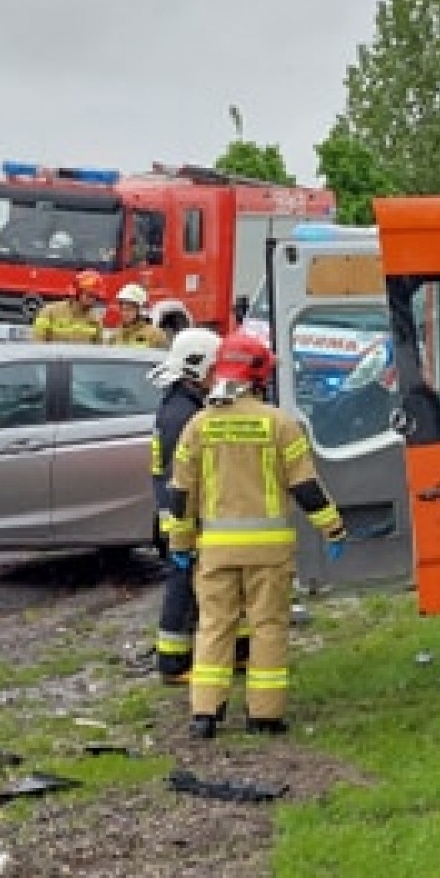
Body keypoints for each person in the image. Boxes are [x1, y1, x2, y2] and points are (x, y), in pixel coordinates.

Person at [168, 331, 346, 738]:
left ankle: (205, 714)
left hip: (216, 552)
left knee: (214, 626)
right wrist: (333, 528)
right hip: (269, 553)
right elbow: (306, 488)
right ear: (260, 375)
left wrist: (180, 544)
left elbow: (180, 495)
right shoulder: (279, 424)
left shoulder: (199, 425)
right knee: (268, 627)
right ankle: (264, 716)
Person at [148, 327, 222, 684]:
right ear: (198, 367)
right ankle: (173, 662)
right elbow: (182, 476)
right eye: (214, 369)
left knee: (197, 585)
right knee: (183, 588)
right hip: (181, 517)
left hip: (177, 513)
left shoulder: (181, 404)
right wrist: (184, 526)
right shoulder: (184, 415)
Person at [32, 270, 105, 343]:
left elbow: (98, 347)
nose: (92, 300)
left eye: (95, 296)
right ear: (77, 293)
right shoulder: (49, 312)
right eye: (89, 295)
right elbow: (38, 341)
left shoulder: (95, 320)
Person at [110, 283, 169, 348]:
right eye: (123, 309)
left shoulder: (155, 335)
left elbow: (163, 353)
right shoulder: (116, 335)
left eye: (129, 310)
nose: (125, 313)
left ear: (140, 310)